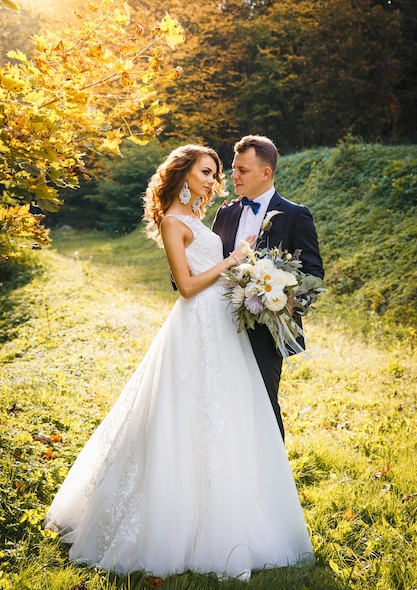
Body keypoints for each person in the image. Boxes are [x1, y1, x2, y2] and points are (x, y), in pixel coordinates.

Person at [44, 144, 315, 580]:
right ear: (183, 173)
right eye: (206, 172)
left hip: (226, 326)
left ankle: (238, 502)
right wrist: (233, 260)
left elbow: (219, 269)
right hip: (195, 326)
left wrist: (257, 283)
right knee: (185, 415)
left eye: (216, 173)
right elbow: (186, 285)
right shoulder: (173, 221)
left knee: (228, 414)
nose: (214, 180)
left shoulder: (199, 218)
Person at [213, 135, 324, 440]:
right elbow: (210, 264)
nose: (233, 175)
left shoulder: (295, 215)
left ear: (266, 173)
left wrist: (286, 304)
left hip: (267, 330)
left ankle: (273, 481)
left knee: (262, 402)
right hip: (220, 324)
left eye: (242, 170)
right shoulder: (226, 213)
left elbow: (313, 275)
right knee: (221, 401)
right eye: (234, 168)